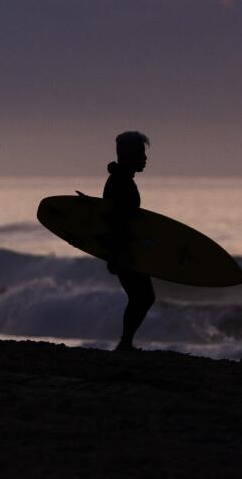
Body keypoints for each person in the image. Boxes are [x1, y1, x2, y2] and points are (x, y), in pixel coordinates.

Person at [103, 131, 154, 351]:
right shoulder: (120, 182)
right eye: (141, 153)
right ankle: (125, 343)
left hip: (126, 249)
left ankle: (126, 342)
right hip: (124, 250)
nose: (145, 158)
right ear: (130, 155)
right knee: (143, 296)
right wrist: (117, 253)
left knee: (141, 297)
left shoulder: (120, 179)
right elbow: (116, 221)